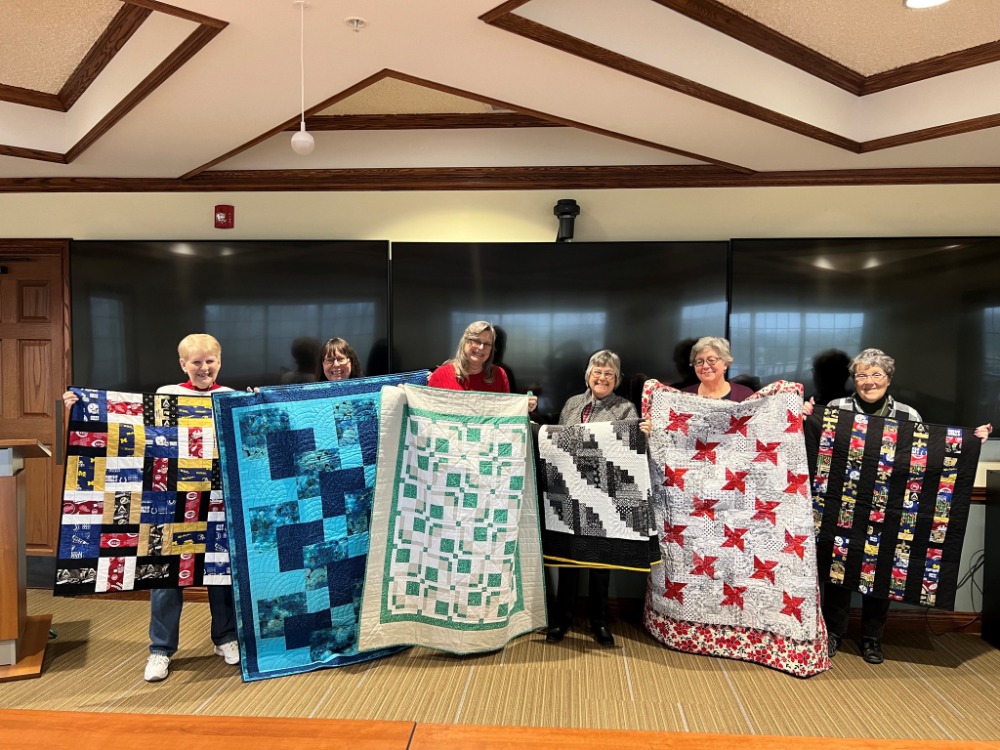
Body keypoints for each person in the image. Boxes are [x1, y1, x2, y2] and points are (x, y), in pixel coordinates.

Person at [63, 333, 239, 682]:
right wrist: (81, 403)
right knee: (164, 575)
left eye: (210, 361)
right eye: (196, 362)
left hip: (216, 501)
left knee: (220, 574)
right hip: (169, 502)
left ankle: (226, 637)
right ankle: (160, 650)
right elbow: (127, 427)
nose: (203, 368)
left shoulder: (229, 398)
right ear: (183, 364)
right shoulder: (166, 396)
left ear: (219, 361)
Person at [823, 348, 991, 665]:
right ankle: (834, 632)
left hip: (891, 509)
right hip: (846, 504)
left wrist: (970, 441)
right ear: (853, 379)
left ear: (888, 378)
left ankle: (872, 639)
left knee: (883, 572)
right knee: (838, 572)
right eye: (861, 375)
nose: (869, 381)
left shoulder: (907, 415)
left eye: (876, 374)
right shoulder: (837, 408)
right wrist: (805, 417)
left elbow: (927, 457)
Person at [546, 350, 637, 648]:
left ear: (617, 378)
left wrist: (641, 434)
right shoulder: (573, 403)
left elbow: (629, 448)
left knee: (601, 562)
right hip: (572, 492)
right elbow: (559, 444)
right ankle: (563, 619)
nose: (602, 378)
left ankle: (599, 621)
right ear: (588, 376)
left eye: (609, 373)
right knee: (570, 560)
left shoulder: (625, 408)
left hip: (606, 495)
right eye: (597, 372)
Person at [428, 320, 537, 411]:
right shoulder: (440, 375)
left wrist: (523, 407)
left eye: (487, 344)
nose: (481, 347)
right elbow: (427, 414)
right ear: (465, 342)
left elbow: (505, 413)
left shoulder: (499, 375)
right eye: (476, 341)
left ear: (491, 349)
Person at [684, 336, 753, 402]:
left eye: (711, 360)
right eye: (699, 362)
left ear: (725, 364)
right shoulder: (684, 397)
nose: (705, 366)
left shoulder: (745, 395)